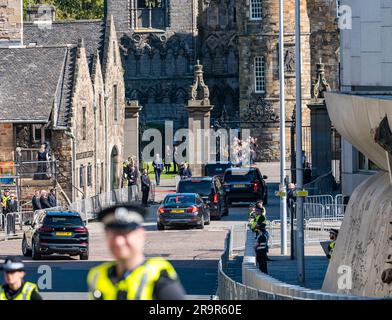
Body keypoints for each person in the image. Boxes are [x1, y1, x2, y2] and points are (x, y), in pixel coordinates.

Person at [87, 204, 186, 300]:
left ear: (141, 235)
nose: (119, 241)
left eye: (125, 233)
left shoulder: (157, 276)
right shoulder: (97, 276)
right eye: (113, 234)